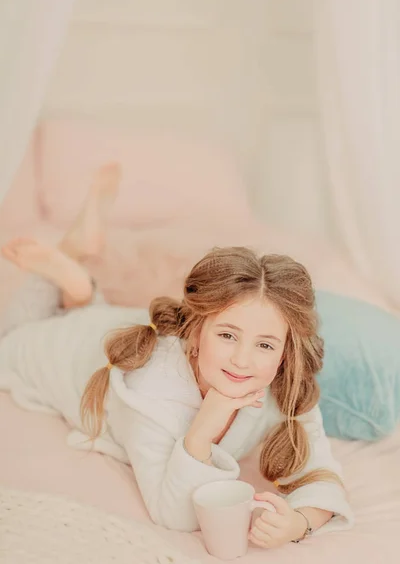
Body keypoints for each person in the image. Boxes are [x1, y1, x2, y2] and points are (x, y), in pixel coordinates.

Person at [0, 163, 353, 548]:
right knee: (12, 338)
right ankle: (72, 267)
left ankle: (77, 280)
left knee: (88, 318)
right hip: (68, 353)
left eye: (265, 345)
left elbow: (321, 473)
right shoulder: (149, 388)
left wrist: (300, 522)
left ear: (286, 352)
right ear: (197, 330)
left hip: (113, 329)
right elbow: (173, 513)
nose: (242, 360)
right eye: (227, 335)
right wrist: (207, 421)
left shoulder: (284, 383)